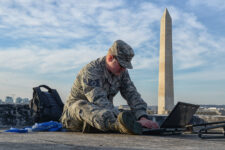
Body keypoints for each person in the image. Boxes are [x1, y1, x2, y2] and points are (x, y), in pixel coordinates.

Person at [60, 40, 159, 134]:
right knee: (80, 105)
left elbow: (132, 94)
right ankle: (119, 126)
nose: (123, 69)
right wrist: (119, 118)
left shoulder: (122, 72)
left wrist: (142, 117)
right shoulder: (92, 70)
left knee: (126, 114)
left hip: (105, 115)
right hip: (75, 116)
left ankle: (125, 124)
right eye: (121, 65)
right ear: (110, 58)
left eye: (125, 67)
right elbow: (98, 100)